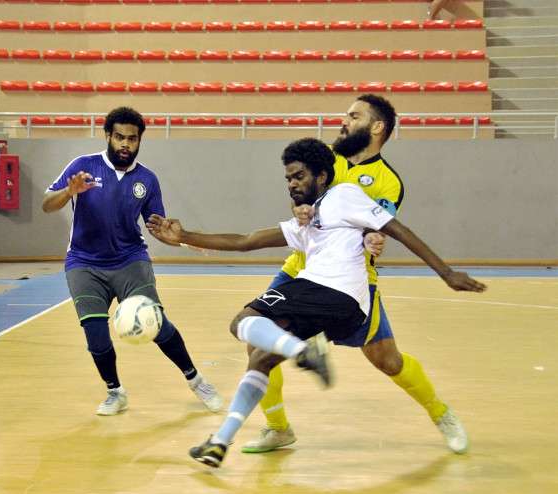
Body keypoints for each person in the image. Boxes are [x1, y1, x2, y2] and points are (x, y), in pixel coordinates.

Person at [146, 137, 486, 468]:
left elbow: (396, 228)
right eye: (288, 179)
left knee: (244, 323)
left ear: (322, 176)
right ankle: (221, 442)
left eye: (299, 176)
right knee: (261, 357)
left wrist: (446, 272)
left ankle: (308, 354)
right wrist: (184, 237)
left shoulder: (345, 195)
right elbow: (246, 241)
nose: (292, 184)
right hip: (331, 301)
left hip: (334, 292)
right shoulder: (308, 219)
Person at [230, 95, 470, 456]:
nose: (344, 121)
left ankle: (441, 413)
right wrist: (299, 209)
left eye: (354, 116)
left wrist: (373, 238)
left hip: (352, 279)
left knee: (387, 360)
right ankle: (278, 428)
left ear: (377, 127)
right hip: (300, 269)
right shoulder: (327, 157)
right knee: (259, 342)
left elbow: (379, 227)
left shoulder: (388, 182)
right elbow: (300, 199)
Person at [42, 106, 223, 416]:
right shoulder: (83, 166)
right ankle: (115, 392)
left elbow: (158, 227)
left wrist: (186, 240)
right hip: (84, 263)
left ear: (139, 140)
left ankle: (196, 380)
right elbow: (47, 204)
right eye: (119, 137)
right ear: (108, 136)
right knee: (96, 335)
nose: (125, 144)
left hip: (130, 260)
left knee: (158, 326)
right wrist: (69, 191)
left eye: (132, 138)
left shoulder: (147, 179)